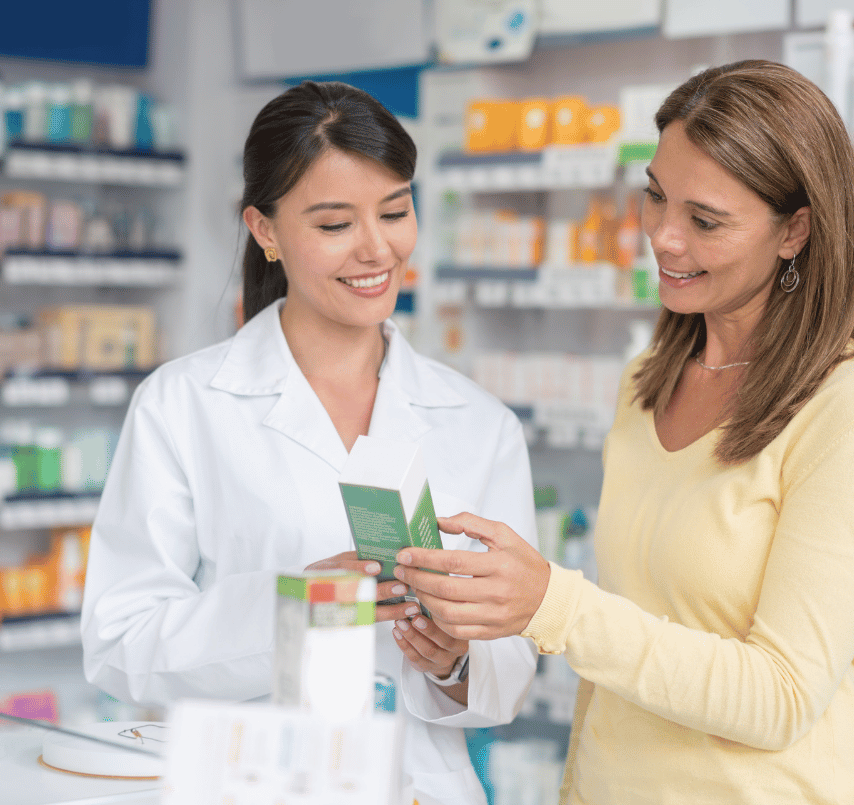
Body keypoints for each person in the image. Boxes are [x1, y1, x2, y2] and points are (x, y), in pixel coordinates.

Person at [394, 61, 854, 804]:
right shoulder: (649, 381)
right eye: (654, 197)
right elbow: (634, 648)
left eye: (705, 221)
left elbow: (778, 698)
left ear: (795, 231)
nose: (664, 239)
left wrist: (556, 605)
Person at [80, 81, 538, 805]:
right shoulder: (185, 404)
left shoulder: (479, 424)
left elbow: (512, 660)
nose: (377, 248)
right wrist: (297, 606)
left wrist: (456, 663)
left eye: (395, 210)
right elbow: (120, 644)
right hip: (250, 784)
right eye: (334, 225)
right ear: (265, 230)